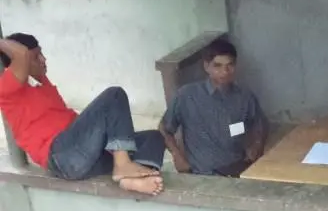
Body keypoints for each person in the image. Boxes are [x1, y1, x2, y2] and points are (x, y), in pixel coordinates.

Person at [0, 34, 165, 196]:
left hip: (86, 157)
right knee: (114, 95)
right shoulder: (7, 90)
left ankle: (132, 180)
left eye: (41, 53)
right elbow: (21, 54)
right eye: (36, 57)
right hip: (62, 156)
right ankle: (123, 164)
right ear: (19, 64)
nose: (44, 59)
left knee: (153, 137)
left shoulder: (42, 83)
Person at [159, 38, 267, 176]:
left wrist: (257, 146)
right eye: (217, 66)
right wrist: (177, 155)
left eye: (230, 65)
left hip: (237, 169)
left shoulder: (245, 97)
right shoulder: (187, 96)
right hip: (201, 173)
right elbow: (164, 128)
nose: (225, 71)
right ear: (206, 66)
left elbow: (260, 124)